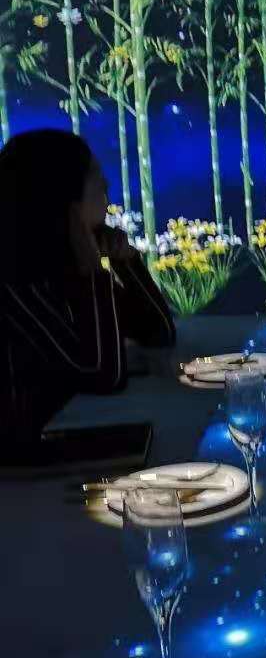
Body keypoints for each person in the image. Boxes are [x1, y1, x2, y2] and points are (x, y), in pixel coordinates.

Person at [0, 127, 174, 459]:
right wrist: (93, 270)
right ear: (64, 197)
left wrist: (126, 262)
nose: (106, 185)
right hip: (21, 466)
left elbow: (158, 333)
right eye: (94, 176)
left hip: (61, 437)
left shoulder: (59, 264)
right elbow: (103, 375)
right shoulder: (16, 283)